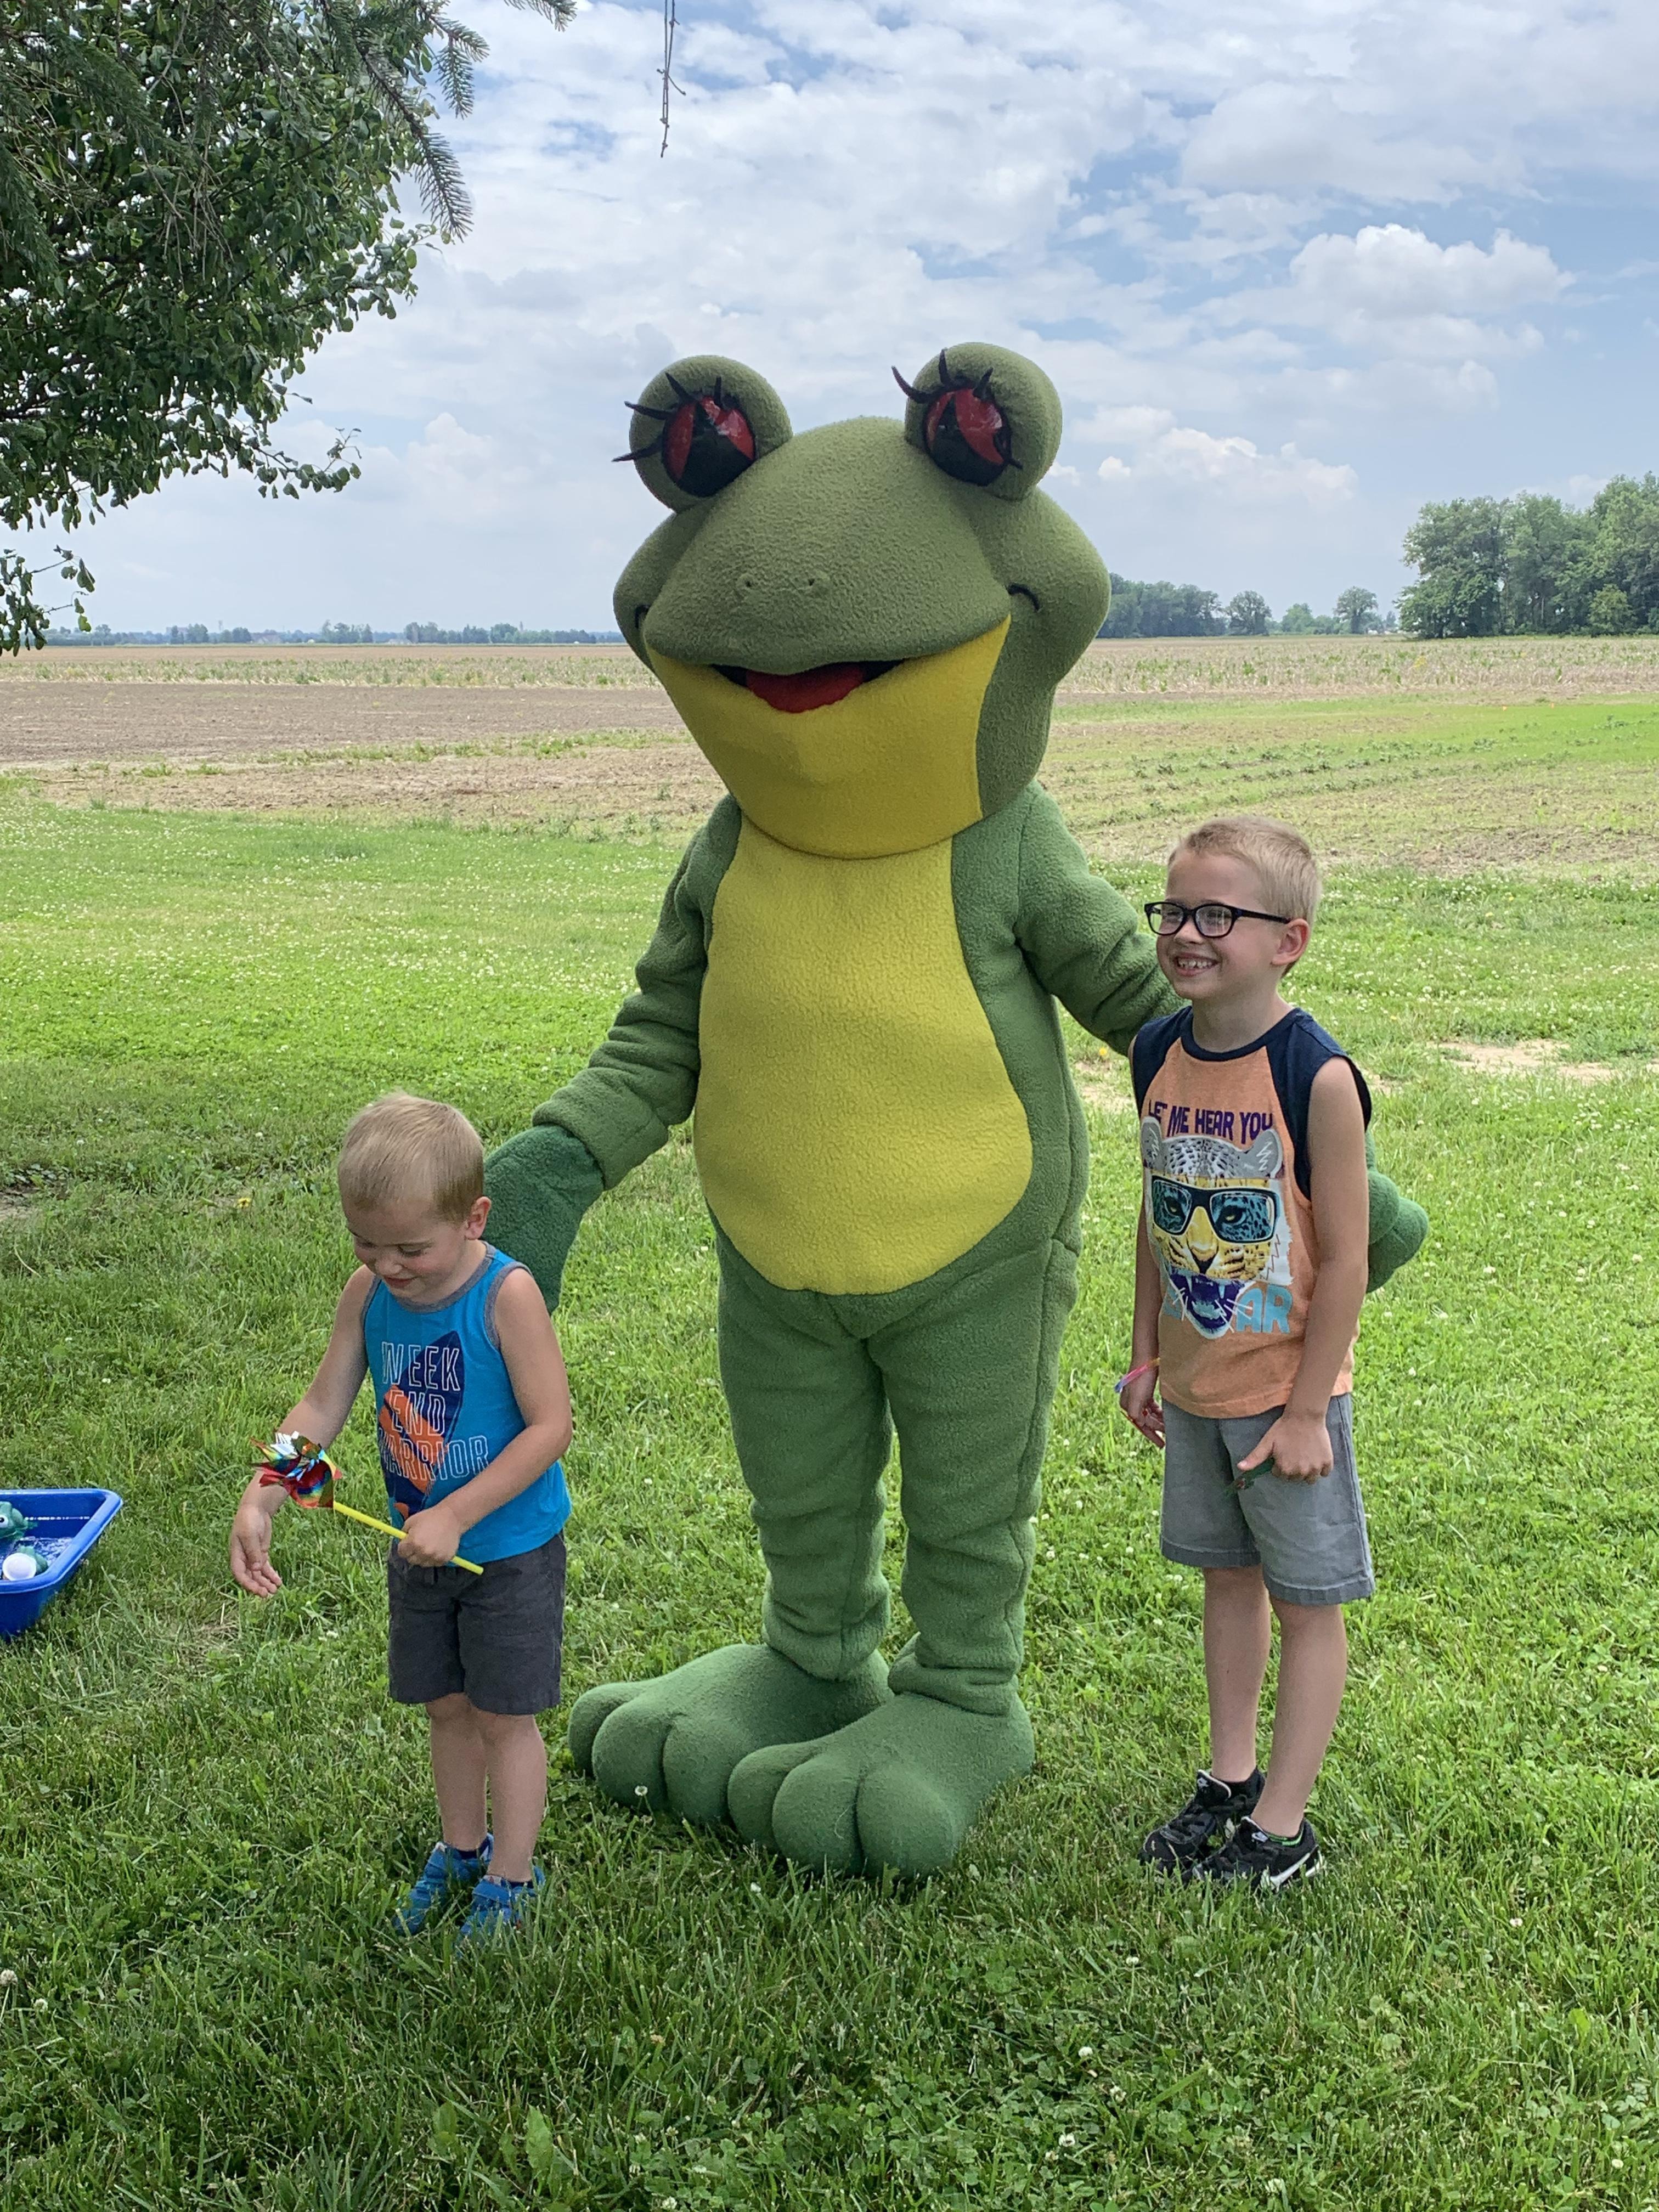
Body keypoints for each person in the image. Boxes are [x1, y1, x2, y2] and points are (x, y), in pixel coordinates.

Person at [230, 1093, 573, 1942]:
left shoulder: (506, 1296)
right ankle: (461, 1849)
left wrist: (456, 1512)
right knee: (446, 1706)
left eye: (410, 1247)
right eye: (366, 1242)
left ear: (474, 1217)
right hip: (421, 1551)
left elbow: (550, 1427)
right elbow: (322, 1402)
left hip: (507, 1553)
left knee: (504, 1716)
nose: (387, 1265)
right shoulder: (369, 1295)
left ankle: (511, 1878)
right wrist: (265, 1490)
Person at [1119, 817, 1373, 1888]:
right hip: (1199, 1383)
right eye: (1173, 909)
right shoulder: (1155, 1052)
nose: (1186, 932)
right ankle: (1230, 1781)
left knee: (1305, 1601)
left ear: (1289, 940)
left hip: (1283, 1392)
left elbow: (1350, 1262)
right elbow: (1155, 1207)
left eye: (1218, 914)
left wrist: (1311, 1410)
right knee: (1227, 1579)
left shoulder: (1316, 1076)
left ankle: (1285, 1828)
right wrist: (1144, 1355)